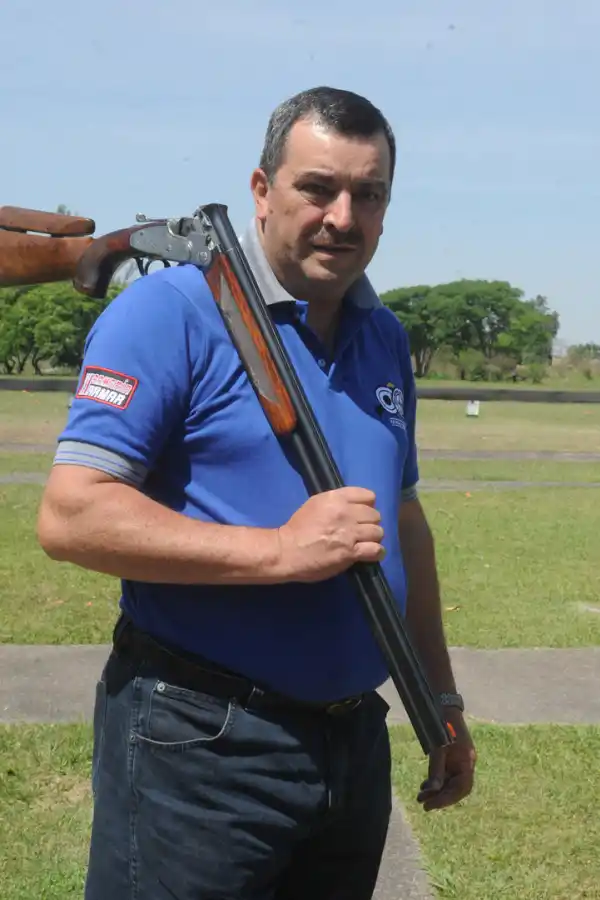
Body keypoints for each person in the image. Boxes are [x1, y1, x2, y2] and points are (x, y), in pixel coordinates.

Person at [37, 85, 476, 900]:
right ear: (262, 190)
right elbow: (72, 514)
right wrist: (279, 551)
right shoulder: (169, 313)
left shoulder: (384, 337)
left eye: (368, 194)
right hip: (198, 743)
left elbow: (402, 520)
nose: (343, 216)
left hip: (352, 741)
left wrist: (436, 697)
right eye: (318, 187)